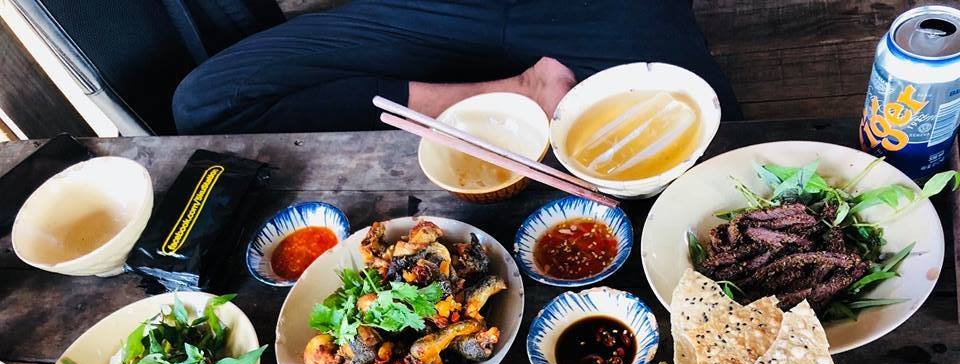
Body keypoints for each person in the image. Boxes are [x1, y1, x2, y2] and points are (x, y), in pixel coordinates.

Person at [173, 0, 739, 134]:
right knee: (207, 102)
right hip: (439, 13)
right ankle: (521, 90)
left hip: (596, 13)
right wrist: (514, 93)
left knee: (723, 148)